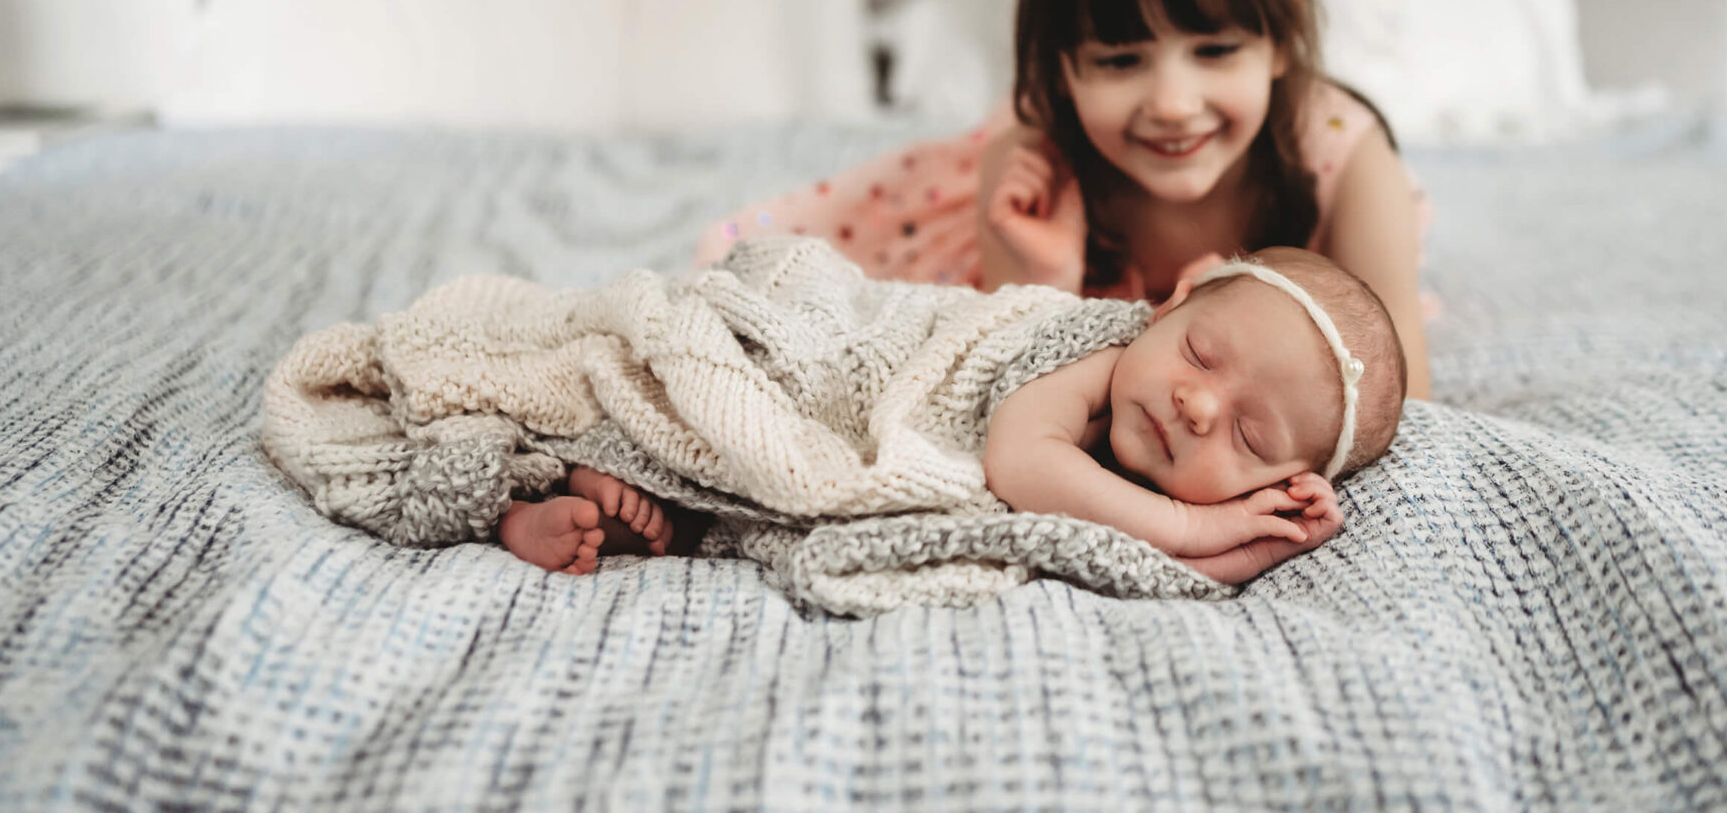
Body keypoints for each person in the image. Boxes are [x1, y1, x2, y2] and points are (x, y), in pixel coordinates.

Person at [696, 0, 1430, 401]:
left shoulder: (1349, 158)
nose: (1174, 103)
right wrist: (1043, 284)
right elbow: (1003, 400)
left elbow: (1406, 401)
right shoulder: (1030, 167)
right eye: (1119, 59)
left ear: (1279, 36)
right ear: (1061, 64)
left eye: (1216, 50)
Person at [498, 245, 1407, 587]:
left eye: (1249, 438)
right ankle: (556, 465)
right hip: (841, 349)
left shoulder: (1170, 465)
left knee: (730, 491)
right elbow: (1021, 459)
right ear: (1175, 300)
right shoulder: (1100, 348)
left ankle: (627, 500)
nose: (1198, 402)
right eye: (1203, 354)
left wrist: (1251, 546)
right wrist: (1195, 524)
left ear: (1284, 482)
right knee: (678, 392)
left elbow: (1125, 546)